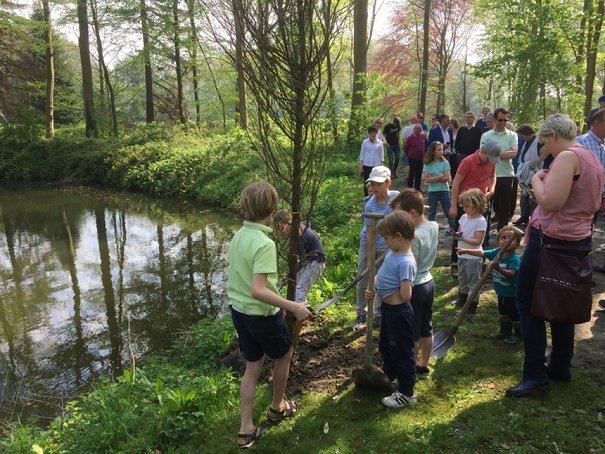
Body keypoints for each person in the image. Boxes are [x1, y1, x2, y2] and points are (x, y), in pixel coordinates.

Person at [507, 114, 604, 398]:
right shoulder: (591, 157)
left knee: (527, 303)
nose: (543, 150)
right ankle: (560, 365)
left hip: (551, 240)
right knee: (560, 302)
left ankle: (535, 375)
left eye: (543, 143)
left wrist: (537, 179)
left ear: (552, 137)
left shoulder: (566, 157)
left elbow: (550, 201)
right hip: (576, 240)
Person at [228, 181, 311, 449]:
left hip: (239, 312)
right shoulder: (264, 243)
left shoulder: (238, 236)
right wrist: (293, 306)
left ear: (244, 206)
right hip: (261, 315)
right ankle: (277, 407)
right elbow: (258, 290)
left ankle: (245, 430)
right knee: (284, 354)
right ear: (273, 209)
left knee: (253, 366)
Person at [365, 210, 418, 408]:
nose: (384, 241)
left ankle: (406, 393)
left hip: (399, 314)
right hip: (388, 310)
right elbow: (383, 274)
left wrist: (389, 293)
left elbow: (406, 295)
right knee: (386, 346)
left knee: (402, 352)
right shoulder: (393, 252)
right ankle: (393, 377)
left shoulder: (406, 261)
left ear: (399, 236)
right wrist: (374, 289)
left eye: (386, 238)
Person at [390, 189, 438, 376]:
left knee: (413, 332)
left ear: (412, 213)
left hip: (416, 285)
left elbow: (412, 266)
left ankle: (409, 367)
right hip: (429, 281)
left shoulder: (414, 237)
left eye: (400, 214)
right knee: (427, 326)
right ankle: (423, 363)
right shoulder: (433, 225)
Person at [353, 166, 400, 329]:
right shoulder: (370, 205)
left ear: (388, 183)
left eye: (378, 184)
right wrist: (369, 257)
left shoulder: (396, 200)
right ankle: (361, 313)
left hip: (389, 247)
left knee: (382, 278)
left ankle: (378, 313)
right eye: (372, 184)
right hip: (369, 244)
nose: (374, 188)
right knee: (364, 277)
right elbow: (370, 233)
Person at [457, 226, 522, 343]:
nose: (506, 241)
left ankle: (518, 334)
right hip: (501, 291)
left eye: (510, 239)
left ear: (517, 245)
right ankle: (504, 331)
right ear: (498, 242)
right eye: (503, 238)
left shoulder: (514, 259)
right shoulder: (496, 253)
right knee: (503, 312)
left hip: (512, 294)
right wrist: (465, 251)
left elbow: (512, 274)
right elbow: (482, 253)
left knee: (514, 314)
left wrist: (498, 269)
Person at [448, 140, 499, 272]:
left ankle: (479, 258)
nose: (491, 161)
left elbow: (493, 177)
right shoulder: (468, 162)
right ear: (483, 151)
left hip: (480, 203)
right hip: (465, 203)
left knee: (482, 231)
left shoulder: (491, 161)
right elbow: (456, 183)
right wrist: (453, 205)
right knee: (461, 231)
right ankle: (456, 260)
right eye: (489, 157)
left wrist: (491, 190)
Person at [273, 210, 325, 305]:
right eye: (278, 229)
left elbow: (302, 261)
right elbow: (307, 223)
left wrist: (289, 275)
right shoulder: (299, 228)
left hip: (316, 262)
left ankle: (299, 316)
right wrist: (289, 276)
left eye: (282, 228)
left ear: (289, 223)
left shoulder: (299, 237)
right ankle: (303, 310)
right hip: (309, 262)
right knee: (297, 287)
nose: (281, 232)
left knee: (300, 290)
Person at [480, 108, 518, 230]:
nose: (503, 123)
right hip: (488, 175)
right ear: (495, 120)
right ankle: (483, 233)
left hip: (506, 174)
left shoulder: (513, 135)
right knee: (485, 206)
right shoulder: (486, 135)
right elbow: (482, 154)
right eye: (500, 120)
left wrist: (493, 152)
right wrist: (504, 153)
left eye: (505, 120)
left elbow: (513, 154)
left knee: (504, 208)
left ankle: (502, 235)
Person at [453, 189, 487, 315]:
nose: (464, 209)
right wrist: (455, 235)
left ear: (477, 205)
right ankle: (462, 299)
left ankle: (471, 306)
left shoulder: (480, 221)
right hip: (461, 253)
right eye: (463, 206)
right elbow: (460, 232)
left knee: (473, 281)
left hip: (473, 256)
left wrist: (462, 238)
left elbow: (478, 241)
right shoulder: (463, 217)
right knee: (462, 278)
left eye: (467, 206)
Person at [422, 141, 455, 231]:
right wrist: (441, 176)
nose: (441, 151)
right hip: (433, 191)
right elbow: (426, 179)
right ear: (433, 151)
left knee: (449, 212)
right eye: (439, 150)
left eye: (442, 149)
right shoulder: (428, 164)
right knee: (431, 212)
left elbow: (447, 178)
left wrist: (433, 178)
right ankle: (430, 231)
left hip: (444, 190)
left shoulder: (445, 163)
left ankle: (454, 230)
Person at [514, 124, 543, 226]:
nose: (521, 138)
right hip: (526, 171)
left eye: (522, 135)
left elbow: (538, 157)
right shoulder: (527, 142)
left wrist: (527, 165)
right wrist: (522, 166)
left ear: (527, 134)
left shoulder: (538, 142)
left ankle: (533, 218)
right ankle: (524, 216)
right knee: (523, 195)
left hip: (534, 171)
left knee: (532, 196)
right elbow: (522, 155)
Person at [359, 126, 384, 196]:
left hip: (376, 165)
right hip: (367, 165)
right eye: (371, 133)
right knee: (367, 182)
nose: (373, 134)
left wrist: (381, 165)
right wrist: (361, 167)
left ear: (377, 133)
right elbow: (362, 155)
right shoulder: (365, 142)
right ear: (369, 134)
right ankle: (367, 198)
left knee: (376, 181)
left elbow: (381, 155)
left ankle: (376, 196)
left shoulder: (380, 143)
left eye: (375, 133)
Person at [404, 124, 426, 190]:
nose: (417, 130)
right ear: (414, 130)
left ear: (421, 130)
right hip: (412, 158)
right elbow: (406, 148)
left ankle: (417, 188)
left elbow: (426, 144)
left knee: (419, 173)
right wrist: (409, 154)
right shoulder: (410, 138)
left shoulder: (423, 136)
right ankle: (409, 188)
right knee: (412, 173)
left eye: (419, 128)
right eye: (416, 128)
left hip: (421, 158)